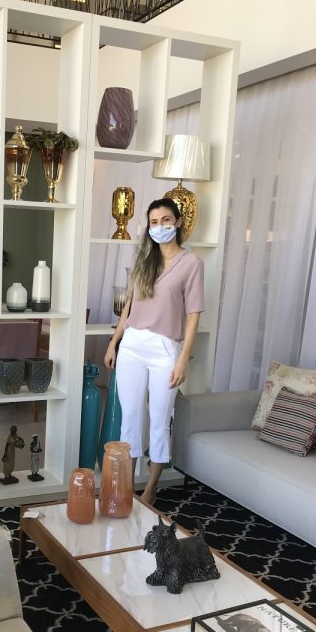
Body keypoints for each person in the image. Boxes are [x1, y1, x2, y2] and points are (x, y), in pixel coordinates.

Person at [104, 198, 203, 505]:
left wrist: (183, 359)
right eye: (154, 222)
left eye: (166, 220)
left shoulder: (192, 263)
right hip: (132, 346)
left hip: (165, 349)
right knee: (130, 419)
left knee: (159, 420)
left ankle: (150, 491)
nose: (160, 227)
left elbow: (193, 315)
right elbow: (128, 306)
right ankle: (126, 488)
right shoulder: (143, 261)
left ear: (178, 222)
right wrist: (114, 342)